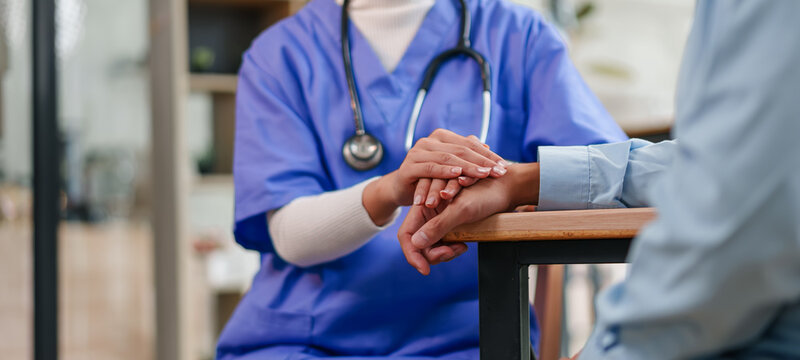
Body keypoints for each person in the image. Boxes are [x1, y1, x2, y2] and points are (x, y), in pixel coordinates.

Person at [216, 0, 628, 357]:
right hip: (305, 341)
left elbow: (611, 179)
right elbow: (289, 234)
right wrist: (390, 190)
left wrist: (613, 346)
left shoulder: (518, 37)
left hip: (470, 340)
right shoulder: (281, 54)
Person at [398, 1, 800, 358]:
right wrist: (521, 181)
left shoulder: (516, 32)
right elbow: (717, 167)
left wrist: (605, 349)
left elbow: (734, 213)